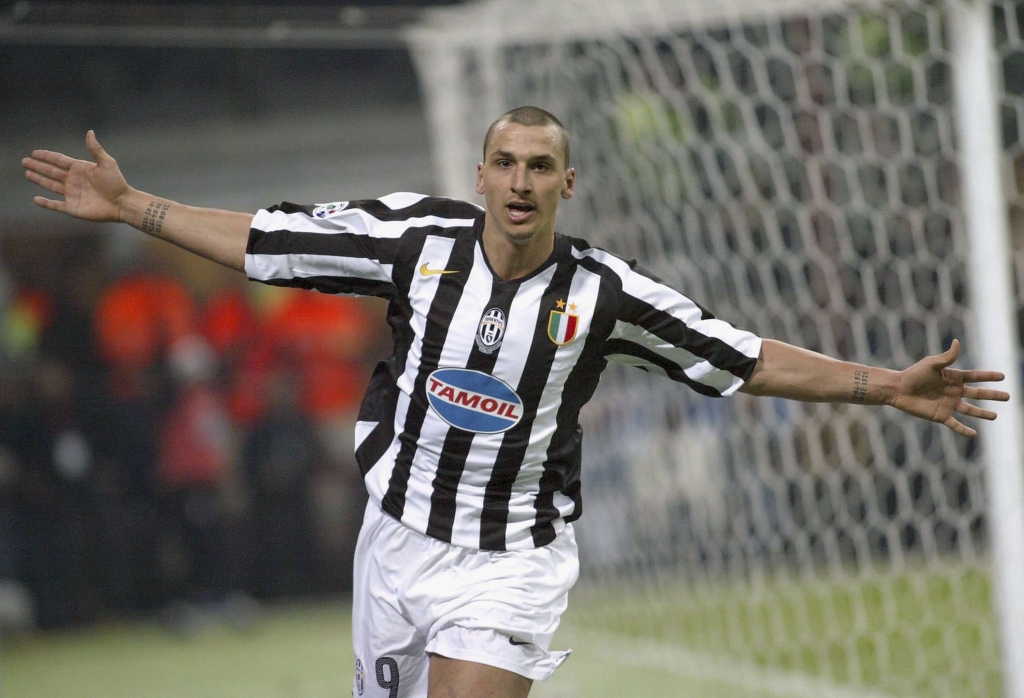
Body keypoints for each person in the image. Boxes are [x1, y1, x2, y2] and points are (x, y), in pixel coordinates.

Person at [22, 106, 1009, 698]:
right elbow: (264, 239)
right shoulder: (412, 241)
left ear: (565, 181)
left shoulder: (604, 293)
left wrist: (885, 385)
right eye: (507, 162)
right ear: (483, 174)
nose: (522, 180)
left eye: (542, 165)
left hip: (513, 559)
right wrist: (133, 204)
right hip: (397, 537)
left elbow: (739, 354)